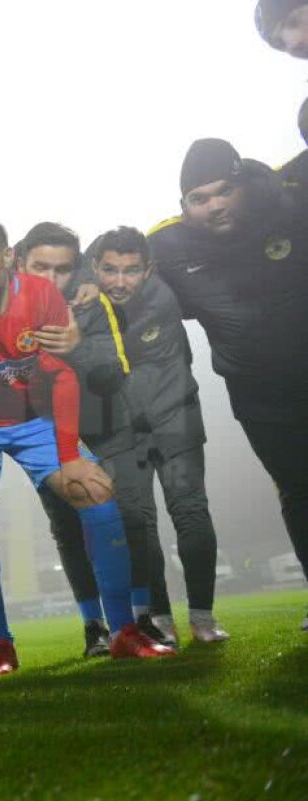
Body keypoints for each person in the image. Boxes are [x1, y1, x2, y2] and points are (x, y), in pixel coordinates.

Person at [0, 214, 173, 676]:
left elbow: (60, 376)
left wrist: (68, 457)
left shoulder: (39, 296)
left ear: (7, 258)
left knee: (97, 492)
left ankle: (122, 631)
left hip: (35, 419)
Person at [149, 139, 308, 632]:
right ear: (184, 207)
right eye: (200, 198)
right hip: (260, 395)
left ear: (243, 185)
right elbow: (109, 272)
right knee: (299, 491)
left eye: (224, 191)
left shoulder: (290, 198)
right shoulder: (169, 247)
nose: (215, 205)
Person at [15, 222, 152, 658]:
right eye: (41, 267)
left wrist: (75, 345)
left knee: (130, 518)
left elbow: (114, 370)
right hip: (54, 435)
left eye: (63, 269)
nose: (52, 279)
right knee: (69, 531)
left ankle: (141, 616)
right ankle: (94, 626)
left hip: (107, 425)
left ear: (75, 269)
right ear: (18, 263)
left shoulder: (92, 303)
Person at [89, 226, 228, 644]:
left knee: (189, 512)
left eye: (131, 270)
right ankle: (161, 620)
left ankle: (203, 618)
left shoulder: (162, 299)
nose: (119, 281)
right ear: (94, 268)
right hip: (120, 432)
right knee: (136, 523)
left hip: (175, 420)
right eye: (109, 269)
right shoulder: (82, 304)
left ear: (149, 269)